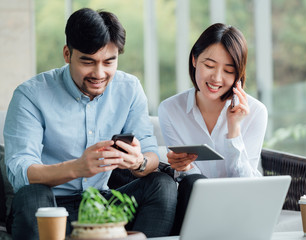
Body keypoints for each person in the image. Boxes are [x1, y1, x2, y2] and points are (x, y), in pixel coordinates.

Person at [4, 8, 177, 239]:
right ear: (67, 54)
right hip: (50, 205)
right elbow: (19, 171)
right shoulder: (31, 95)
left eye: (109, 62)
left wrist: (139, 162)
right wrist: (77, 167)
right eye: (88, 61)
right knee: (32, 195)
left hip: (101, 203)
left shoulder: (130, 88)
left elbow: (150, 154)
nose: (99, 73)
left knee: (161, 185)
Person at [158, 23, 268, 234]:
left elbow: (248, 185)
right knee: (191, 183)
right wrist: (181, 167)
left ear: (239, 74)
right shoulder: (171, 110)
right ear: (194, 60)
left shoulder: (255, 112)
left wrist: (233, 129)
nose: (217, 78)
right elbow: (191, 182)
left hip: (241, 208)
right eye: (209, 65)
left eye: (228, 71)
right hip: (194, 207)